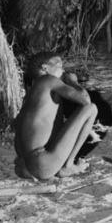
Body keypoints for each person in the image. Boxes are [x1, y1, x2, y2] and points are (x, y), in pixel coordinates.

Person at [14, 52, 98, 180]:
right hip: (42, 164)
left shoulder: (32, 91)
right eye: (59, 65)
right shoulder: (49, 80)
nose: (63, 69)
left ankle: (56, 165)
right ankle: (68, 165)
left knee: (63, 122)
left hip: (23, 166)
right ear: (45, 68)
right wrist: (73, 81)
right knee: (91, 108)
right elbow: (85, 100)